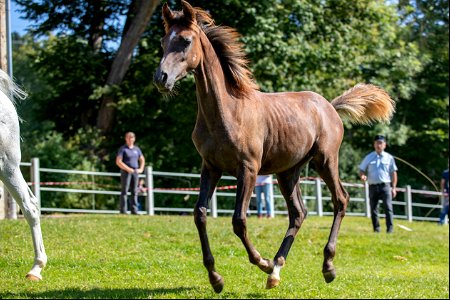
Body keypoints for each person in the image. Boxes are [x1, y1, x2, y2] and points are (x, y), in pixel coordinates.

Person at [359, 135, 398, 233]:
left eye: (381, 143)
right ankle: (376, 229)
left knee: (388, 208)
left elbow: (394, 173)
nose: (378, 145)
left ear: (385, 145)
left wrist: (393, 188)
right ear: (374, 145)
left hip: (385, 186)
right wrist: (362, 176)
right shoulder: (369, 157)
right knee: (373, 209)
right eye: (377, 143)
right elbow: (361, 169)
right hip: (372, 186)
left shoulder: (389, 158)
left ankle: (390, 229)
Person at [116, 132, 145, 214]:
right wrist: (128, 169)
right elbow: (118, 161)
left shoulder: (137, 149)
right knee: (124, 191)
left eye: (132, 137)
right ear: (126, 139)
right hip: (126, 172)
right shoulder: (123, 149)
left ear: (134, 139)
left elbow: (142, 159)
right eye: (128, 137)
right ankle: (123, 211)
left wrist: (141, 169)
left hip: (135, 172)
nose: (130, 139)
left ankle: (134, 210)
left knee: (134, 191)